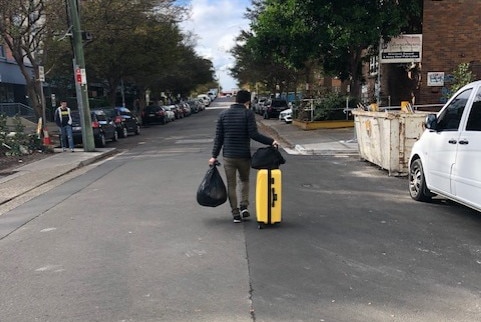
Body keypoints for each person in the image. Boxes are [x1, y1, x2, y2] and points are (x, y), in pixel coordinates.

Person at [209, 89, 278, 223]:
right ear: (247, 101)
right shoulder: (248, 114)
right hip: (243, 156)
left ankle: (235, 214)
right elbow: (254, 134)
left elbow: (219, 138)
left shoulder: (223, 115)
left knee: (231, 185)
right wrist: (271, 141)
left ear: (236, 99)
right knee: (244, 180)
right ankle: (244, 206)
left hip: (228, 156)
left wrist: (214, 156)